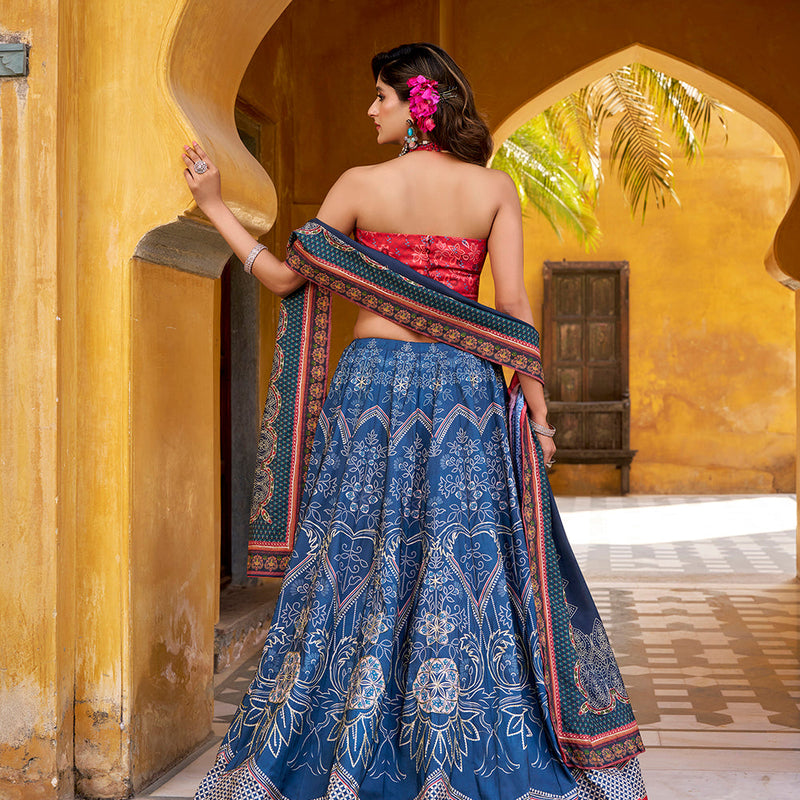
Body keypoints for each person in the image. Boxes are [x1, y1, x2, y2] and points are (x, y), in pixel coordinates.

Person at [183, 42, 647, 800]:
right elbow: (513, 311)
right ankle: (457, 745)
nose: (370, 109)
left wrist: (212, 207)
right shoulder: (493, 189)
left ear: (415, 104)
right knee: (461, 572)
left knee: (359, 566)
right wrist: (536, 408)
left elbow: (280, 278)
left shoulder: (360, 186)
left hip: (371, 397)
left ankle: (351, 735)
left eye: (380, 98)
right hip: (465, 395)